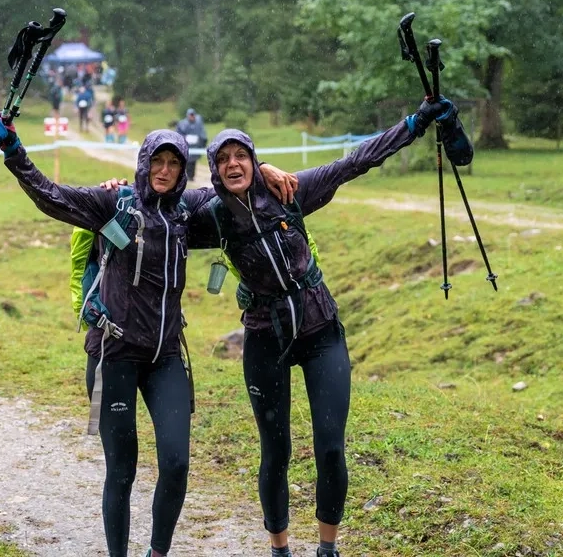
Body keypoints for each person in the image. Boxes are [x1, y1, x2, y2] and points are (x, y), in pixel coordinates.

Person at [0, 117, 290, 557]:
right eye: (158, 160)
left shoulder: (188, 211)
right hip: (111, 355)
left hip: (166, 356)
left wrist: (263, 166)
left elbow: (237, 185)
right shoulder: (113, 202)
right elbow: (51, 196)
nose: (165, 169)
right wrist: (14, 150)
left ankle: (157, 553)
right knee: (122, 469)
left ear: (183, 169)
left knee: (176, 465)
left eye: (175, 162)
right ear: (144, 162)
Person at [184, 99, 451, 557]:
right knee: (276, 452)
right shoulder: (208, 213)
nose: (233, 164)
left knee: (330, 447)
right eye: (223, 159)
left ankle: (327, 549)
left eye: (241, 156)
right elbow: (153, 199)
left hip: (319, 328)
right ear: (213, 169)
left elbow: (355, 162)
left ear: (252, 158)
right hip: (265, 337)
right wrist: (115, 189)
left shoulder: (290, 191)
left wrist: (415, 123)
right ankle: (280, 549)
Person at [175, 109, 208, 182]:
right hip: (186, 146)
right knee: (186, 162)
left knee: (193, 162)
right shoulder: (183, 124)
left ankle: (191, 176)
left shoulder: (198, 123)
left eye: (193, 115)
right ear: (188, 115)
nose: (192, 117)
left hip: (195, 147)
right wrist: (185, 138)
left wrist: (202, 143)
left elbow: (202, 134)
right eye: (190, 115)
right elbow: (178, 134)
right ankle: (186, 176)